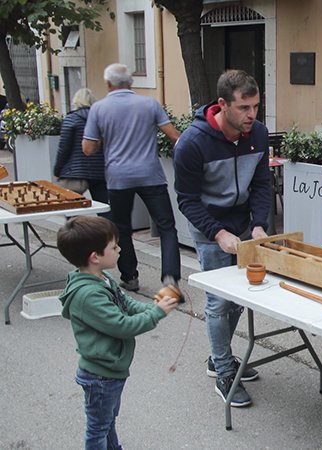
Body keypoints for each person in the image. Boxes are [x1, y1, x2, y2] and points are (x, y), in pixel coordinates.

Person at [173, 69, 272, 407]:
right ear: (222, 105)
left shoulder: (258, 133)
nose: (252, 115)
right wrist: (217, 233)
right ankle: (224, 370)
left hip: (244, 226)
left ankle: (220, 357)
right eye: (244, 108)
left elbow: (261, 185)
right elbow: (186, 199)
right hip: (209, 228)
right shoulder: (192, 143)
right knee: (218, 301)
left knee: (243, 296)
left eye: (256, 106)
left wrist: (259, 224)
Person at [57, 215, 179, 449]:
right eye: (114, 246)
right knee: (98, 429)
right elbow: (122, 325)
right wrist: (156, 314)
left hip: (111, 371)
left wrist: (154, 306)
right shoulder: (89, 295)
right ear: (95, 257)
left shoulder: (102, 278)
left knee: (107, 422)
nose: (120, 249)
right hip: (100, 375)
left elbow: (127, 305)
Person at [82, 63, 182, 294]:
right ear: (131, 83)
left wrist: (104, 139)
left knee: (122, 229)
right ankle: (170, 279)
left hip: (118, 178)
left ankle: (130, 277)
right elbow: (175, 136)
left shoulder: (99, 108)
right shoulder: (149, 104)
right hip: (151, 174)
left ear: (108, 84)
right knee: (167, 227)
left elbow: (88, 148)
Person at [54, 88, 110, 218]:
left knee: (72, 209)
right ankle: (111, 235)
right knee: (105, 208)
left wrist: (58, 170)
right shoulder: (101, 119)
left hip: (75, 172)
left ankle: (75, 236)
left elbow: (64, 148)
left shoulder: (71, 119)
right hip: (98, 171)